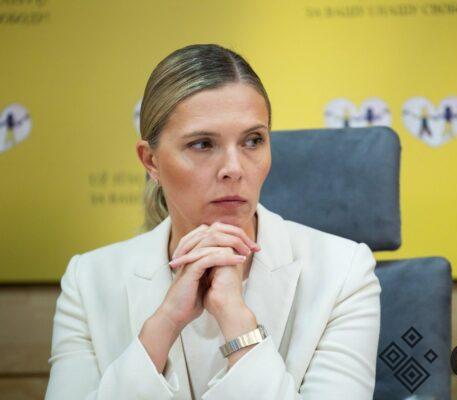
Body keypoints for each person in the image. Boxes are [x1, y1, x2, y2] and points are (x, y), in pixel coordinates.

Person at [45, 43, 382, 400]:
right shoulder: (88, 281)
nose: (234, 169)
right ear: (151, 161)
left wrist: (238, 322)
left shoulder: (343, 272)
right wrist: (163, 325)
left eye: (253, 140)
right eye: (203, 144)